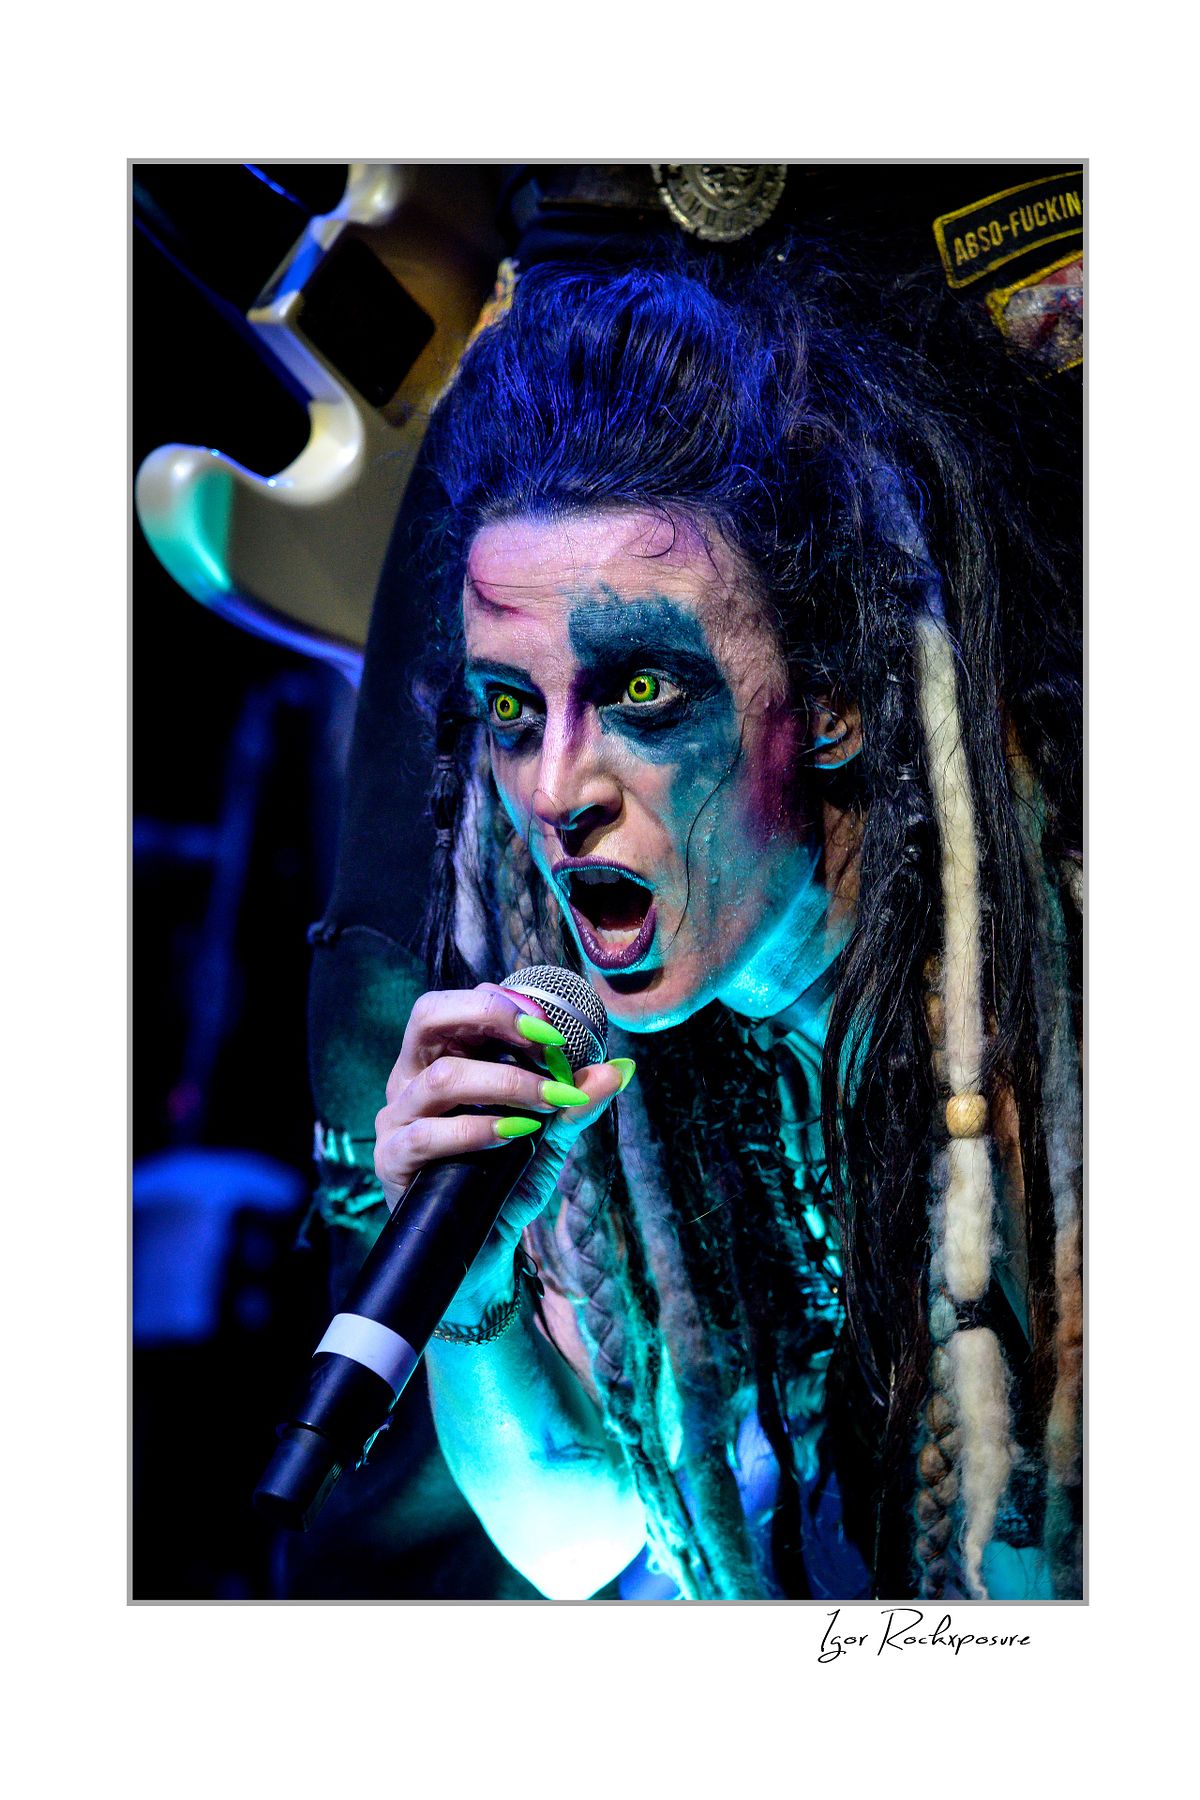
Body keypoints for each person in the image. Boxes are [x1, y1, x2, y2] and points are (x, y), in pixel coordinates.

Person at [308, 236, 1082, 1602]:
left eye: (643, 693)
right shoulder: (602, 1057)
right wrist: (476, 1292)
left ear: (832, 699)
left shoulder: (1051, 972)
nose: (557, 790)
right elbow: (569, 1544)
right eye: (511, 708)